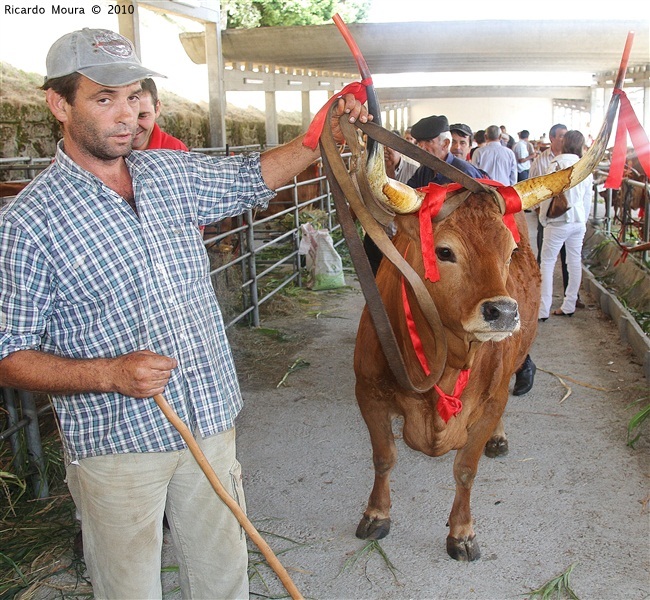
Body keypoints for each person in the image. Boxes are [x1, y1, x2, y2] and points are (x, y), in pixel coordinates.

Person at [0, 28, 370, 599]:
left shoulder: (168, 173)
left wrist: (315, 136)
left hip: (210, 419)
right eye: (104, 99)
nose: (127, 117)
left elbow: (253, 178)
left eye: (133, 96)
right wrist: (109, 374)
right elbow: (8, 355)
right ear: (58, 104)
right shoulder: (28, 222)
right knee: (130, 589)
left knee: (224, 578)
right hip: (116, 444)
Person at [537, 130, 593, 321]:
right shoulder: (585, 165)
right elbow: (588, 198)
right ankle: (569, 305)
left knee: (547, 262)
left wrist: (543, 218)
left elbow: (547, 194)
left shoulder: (557, 163)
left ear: (565, 143)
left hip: (557, 221)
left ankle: (543, 309)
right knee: (574, 261)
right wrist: (582, 220)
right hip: (578, 221)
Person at [363, 132, 418, 274]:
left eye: (391, 147)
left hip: (404, 238)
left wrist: (390, 172)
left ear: (400, 149)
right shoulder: (370, 172)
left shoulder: (415, 171)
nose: (386, 151)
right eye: (382, 147)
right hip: (379, 235)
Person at [407, 115, 485, 188]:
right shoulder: (424, 171)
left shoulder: (465, 173)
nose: (421, 147)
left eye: (428, 141)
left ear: (445, 143)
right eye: (418, 143)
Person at [132, 77, 188, 151]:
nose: (134, 125)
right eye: (127, 116)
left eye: (142, 116)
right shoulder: (111, 151)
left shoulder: (177, 150)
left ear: (157, 109)